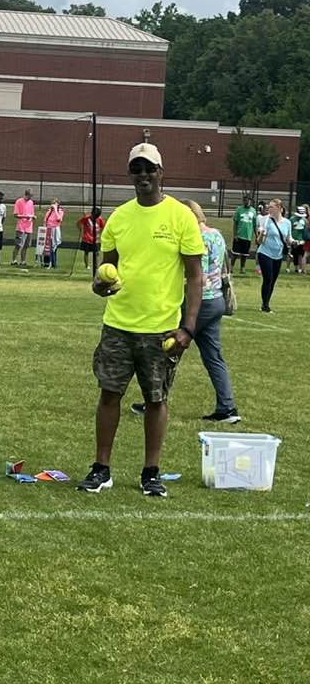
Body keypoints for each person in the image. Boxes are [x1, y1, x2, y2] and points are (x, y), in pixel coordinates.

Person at [77, 143, 204, 498]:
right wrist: (100, 286)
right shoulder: (119, 217)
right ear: (130, 174)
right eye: (136, 169)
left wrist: (188, 327)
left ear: (161, 172)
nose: (143, 175)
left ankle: (151, 472)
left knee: (156, 400)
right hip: (118, 324)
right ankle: (101, 469)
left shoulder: (180, 216)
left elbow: (195, 276)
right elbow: (107, 270)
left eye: (149, 168)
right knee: (109, 395)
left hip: (161, 329)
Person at [131, 200, 240, 424]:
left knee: (169, 350)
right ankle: (227, 407)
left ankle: (154, 401)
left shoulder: (197, 238)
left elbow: (198, 275)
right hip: (216, 300)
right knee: (213, 356)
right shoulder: (217, 235)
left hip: (200, 302)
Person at [255, 197, 291, 312]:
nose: (269, 209)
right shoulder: (264, 220)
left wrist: (294, 242)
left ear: (279, 208)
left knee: (273, 280)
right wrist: (262, 234)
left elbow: (288, 238)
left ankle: (266, 302)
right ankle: (265, 305)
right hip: (265, 252)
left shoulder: (287, 223)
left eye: (271, 207)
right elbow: (259, 241)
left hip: (278, 255)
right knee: (268, 278)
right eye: (268, 207)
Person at [230, 194, 257, 275]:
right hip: (239, 235)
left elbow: (254, 225)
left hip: (247, 236)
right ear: (243, 201)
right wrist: (235, 235)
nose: (247, 202)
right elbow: (235, 223)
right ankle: (231, 267)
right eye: (245, 200)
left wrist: (257, 236)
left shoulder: (253, 211)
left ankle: (242, 268)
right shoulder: (239, 210)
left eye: (248, 201)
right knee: (235, 253)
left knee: (244, 254)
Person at [11, 189, 35, 266]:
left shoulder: (31, 202)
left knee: (26, 245)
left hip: (29, 227)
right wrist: (25, 216)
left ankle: (23, 261)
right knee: (18, 244)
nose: (31, 197)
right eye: (30, 196)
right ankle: (14, 260)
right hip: (21, 226)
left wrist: (33, 217)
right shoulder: (19, 201)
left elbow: (32, 213)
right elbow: (15, 215)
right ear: (26, 194)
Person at [44, 198, 64, 268]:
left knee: (54, 247)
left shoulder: (60, 211)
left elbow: (59, 219)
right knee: (48, 246)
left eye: (54, 203)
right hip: (49, 229)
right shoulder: (49, 211)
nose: (53, 205)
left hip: (55, 229)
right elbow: (45, 220)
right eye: (52, 203)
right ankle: (46, 262)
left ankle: (53, 263)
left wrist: (55, 210)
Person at [289, 205, 307, 273]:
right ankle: (295, 267)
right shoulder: (292, 219)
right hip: (293, 239)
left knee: (300, 254)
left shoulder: (304, 220)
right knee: (294, 254)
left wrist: (304, 239)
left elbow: (305, 231)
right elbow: (290, 229)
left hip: (301, 240)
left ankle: (300, 268)